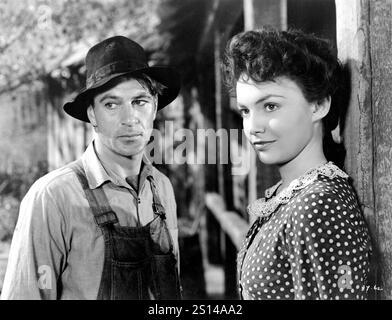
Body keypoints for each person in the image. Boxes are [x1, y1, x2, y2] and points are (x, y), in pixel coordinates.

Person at [1, 36, 182, 300]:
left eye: (139, 102)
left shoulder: (161, 189)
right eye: (111, 104)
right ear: (92, 115)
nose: (129, 118)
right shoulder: (52, 197)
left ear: (154, 106)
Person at [222, 28, 372, 300]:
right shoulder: (288, 194)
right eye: (245, 110)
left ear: (318, 106)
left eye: (270, 106)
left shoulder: (319, 204)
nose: (252, 127)